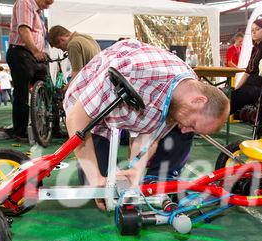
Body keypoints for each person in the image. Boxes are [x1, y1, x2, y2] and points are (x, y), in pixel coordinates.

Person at [64, 40, 230, 210]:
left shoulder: (185, 91)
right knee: (99, 186)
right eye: (193, 124)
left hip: (132, 108)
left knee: (117, 185)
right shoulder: (134, 70)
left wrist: (136, 170)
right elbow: (76, 119)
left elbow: (149, 134)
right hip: (89, 112)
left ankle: (157, 180)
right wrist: (96, 178)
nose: (187, 130)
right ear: (198, 100)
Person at [6, 0, 53, 141]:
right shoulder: (24, 3)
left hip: (33, 54)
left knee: (47, 89)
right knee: (22, 94)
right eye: (46, 2)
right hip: (21, 52)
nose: (48, 6)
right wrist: (35, 51)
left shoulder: (38, 12)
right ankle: (20, 133)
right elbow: (23, 29)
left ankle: (51, 126)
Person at [230, 19, 262, 118]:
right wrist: (237, 88)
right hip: (250, 85)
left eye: (257, 29)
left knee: (231, 99)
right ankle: (213, 121)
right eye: (252, 30)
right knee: (230, 95)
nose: (253, 32)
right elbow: (248, 71)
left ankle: (210, 122)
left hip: (258, 87)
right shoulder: (256, 47)